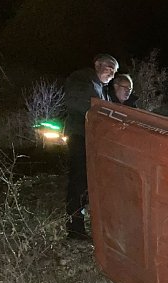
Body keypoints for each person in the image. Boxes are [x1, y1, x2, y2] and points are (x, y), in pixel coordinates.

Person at [63, 53, 118, 240]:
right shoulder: (82, 79)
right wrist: (101, 113)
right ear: (97, 64)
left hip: (93, 139)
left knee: (88, 181)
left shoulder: (102, 88)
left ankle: (81, 222)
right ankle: (74, 227)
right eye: (109, 68)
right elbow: (78, 102)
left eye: (114, 72)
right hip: (80, 136)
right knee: (79, 180)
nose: (111, 74)